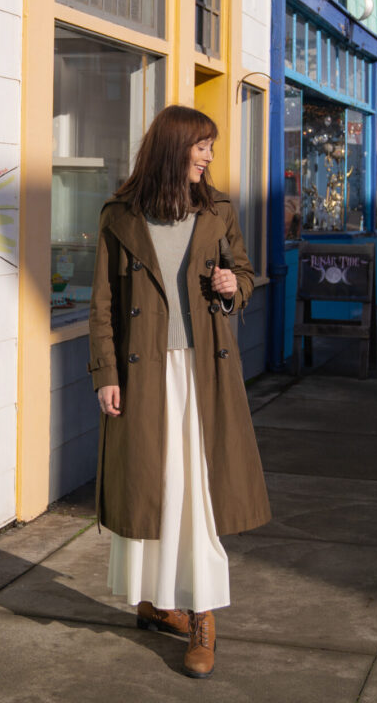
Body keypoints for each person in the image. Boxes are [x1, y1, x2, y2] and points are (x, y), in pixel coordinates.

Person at [89, 105, 270, 680]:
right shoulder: (119, 218)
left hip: (204, 375)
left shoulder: (216, 212)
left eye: (212, 147)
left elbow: (242, 277)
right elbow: (101, 308)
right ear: (174, 148)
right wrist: (106, 375)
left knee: (198, 492)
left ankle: (203, 615)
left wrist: (229, 287)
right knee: (151, 488)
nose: (209, 156)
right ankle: (154, 599)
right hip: (144, 376)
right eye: (202, 146)